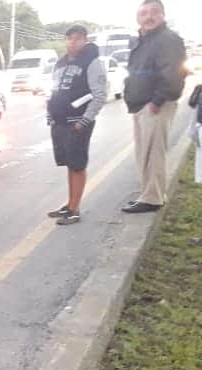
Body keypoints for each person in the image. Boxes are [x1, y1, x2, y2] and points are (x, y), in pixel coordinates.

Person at [122, 0, 187, 213]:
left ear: (163, 15)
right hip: (141, 104)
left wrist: (157, 101)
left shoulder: (167, 39)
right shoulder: (143, 40)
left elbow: (175, 73)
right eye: (143, 13)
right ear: (137, 17)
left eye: (154, 12)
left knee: (153, 153)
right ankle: (149, 194)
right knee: (144, 153)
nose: (148, 17)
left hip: (155, 105)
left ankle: (153, 199)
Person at [46, 26, 107, 226]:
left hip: (77, 124)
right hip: (60, 122)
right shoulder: (61, 63)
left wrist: (84, 121)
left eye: (78, 39)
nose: (73, 42)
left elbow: (99, 95)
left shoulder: (92, 62)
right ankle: (70, 204)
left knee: (78, 165)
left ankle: (74, 210)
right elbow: (53, 91)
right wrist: (51, 114)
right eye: (70, 39)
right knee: (70, 164)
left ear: (85, 40)